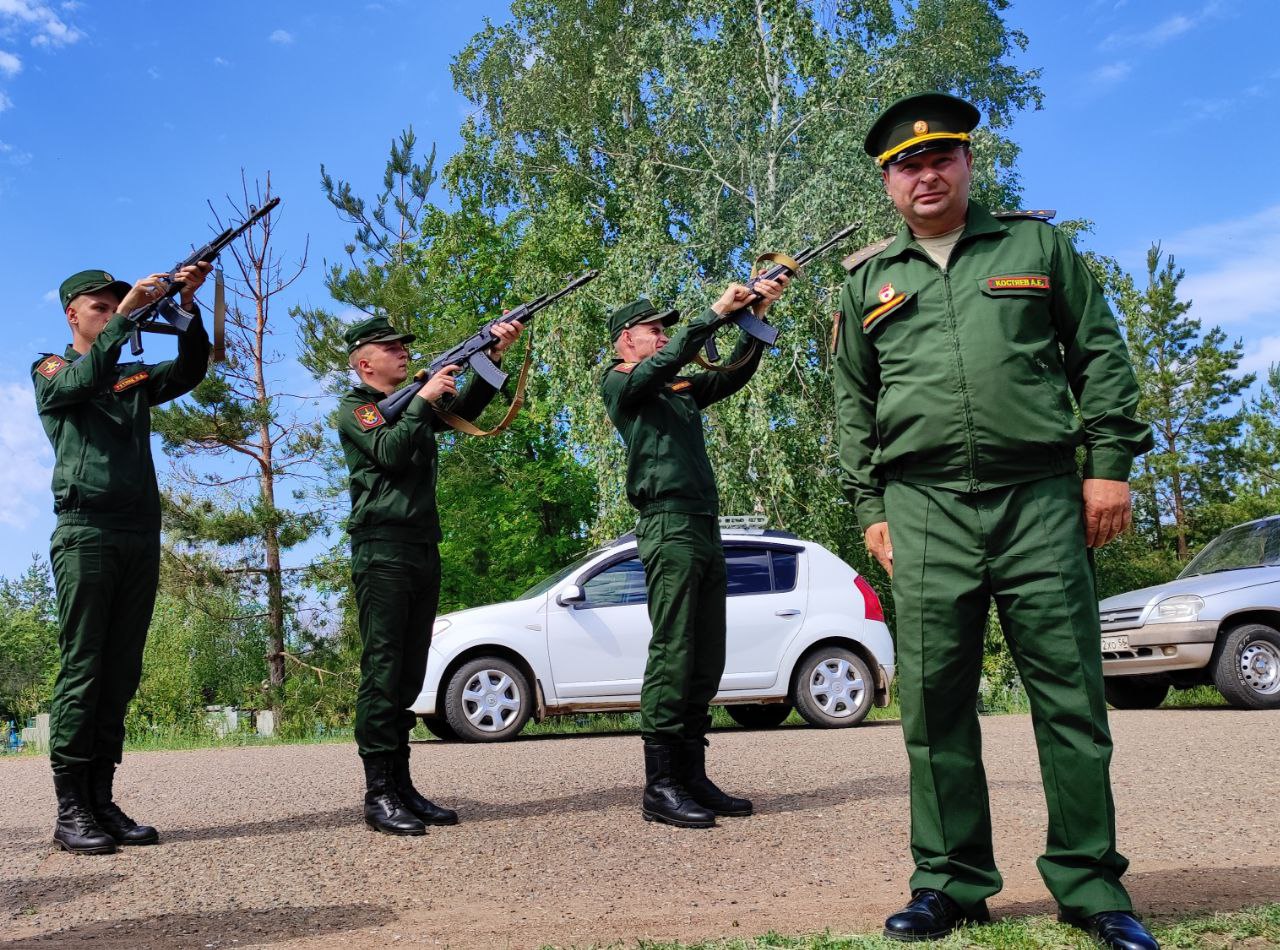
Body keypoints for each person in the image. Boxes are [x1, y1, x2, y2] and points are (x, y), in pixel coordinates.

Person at [832, 92, 1158, 949]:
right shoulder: (868, 280)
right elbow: (852, 404)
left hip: (1041, 501)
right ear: (888, 184)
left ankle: (1091, 886)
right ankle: (950, 883)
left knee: (1070, 698)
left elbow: (1100, 356)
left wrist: (1108, 471)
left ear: (969, 164)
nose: (925, 173)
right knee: (935, 706)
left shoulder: (1036, 246)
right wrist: (872, 510)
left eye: (941, 157)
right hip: (924, 509)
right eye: (907, 164)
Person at [33, 263, 213, 854]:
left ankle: (102, 799)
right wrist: (132, 308)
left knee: (121, 672)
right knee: (84, 667)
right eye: (100, 308)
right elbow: (75, 385)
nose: (112, 315)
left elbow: (190, 368)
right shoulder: (51, 369)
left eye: (118, 306)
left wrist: (184, 305)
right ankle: (71, 808)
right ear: (72, 315)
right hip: (86, 532)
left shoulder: (131, 375)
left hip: (139, 531)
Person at [600, 277, 788, 828]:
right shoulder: (621, 384)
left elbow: (730, 377)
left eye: (664, 330)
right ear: (625, 341)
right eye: (653, 330)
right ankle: (660, 785)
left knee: (707, 651)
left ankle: (692, 774)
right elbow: (667, 362)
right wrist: (711, 313)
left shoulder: (675, 388)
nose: (662, 337)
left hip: (702, 525)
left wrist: (752, 320)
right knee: (675, 649)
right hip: (667, 524)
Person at [338, 313, 523, 835]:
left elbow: (465, 413)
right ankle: (379, 794)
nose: (402, 353)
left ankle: (402, 786)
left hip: (421, 546)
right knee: (384, 670)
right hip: (381, 548)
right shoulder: (356, 409)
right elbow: (391, 455)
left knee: (412, 670)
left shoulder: (412, 402)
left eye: (404, 346)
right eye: (390, 347)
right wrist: (422, 399)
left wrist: (494, 357)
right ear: (364, 361)